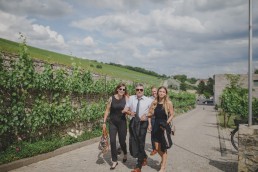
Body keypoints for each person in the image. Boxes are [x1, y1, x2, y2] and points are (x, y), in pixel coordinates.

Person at [125, 83, 152, 172]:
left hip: (143, 123)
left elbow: (153, 112)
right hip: (133, 122)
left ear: (143, 91)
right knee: (133, 141)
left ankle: (138, 166)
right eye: (137, 89)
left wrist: (147, 116)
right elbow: (126, 109)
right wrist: (130, 113)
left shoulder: (148, 100)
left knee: (141, 142)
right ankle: (144, 156)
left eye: (141, 90)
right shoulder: (131, 98)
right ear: (135, 90)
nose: (139, 91)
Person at [102, 83, 129, 170]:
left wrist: (127, 111)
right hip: (112, 123)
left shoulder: (126, 98)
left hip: (122, 123)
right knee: (112, 141)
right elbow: (107, 110)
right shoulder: (111, 98)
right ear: (117, 89)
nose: (122, 91)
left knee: (122, 141)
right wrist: (104, 122)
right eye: (120, 89)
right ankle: (114, 161)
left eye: (123, 89)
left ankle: (125, 153)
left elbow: (130, 109)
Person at [148, 86, 174, 172]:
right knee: (157, 148)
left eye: (163, 91)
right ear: (158, 92)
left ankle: (163, 167)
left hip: (164, 127)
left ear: (166, 93)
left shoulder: (168, 103)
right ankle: (163, 159)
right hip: (156, 126)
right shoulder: (154, 102)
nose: (161, 93)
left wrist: (166, 123)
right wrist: (147, 119)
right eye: (160, 91)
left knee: (163, 147)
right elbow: (150, 113)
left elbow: (172, 115)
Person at [149, 86, 157, 156]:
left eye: (155, 91)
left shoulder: (161, 97)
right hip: (153, 118)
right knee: (153, 133)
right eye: (153, 91)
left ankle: (160, 147)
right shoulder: (149, 99)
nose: (154, 92)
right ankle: (154, 148)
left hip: (160, 118)